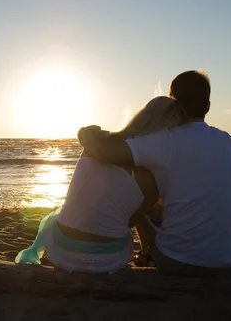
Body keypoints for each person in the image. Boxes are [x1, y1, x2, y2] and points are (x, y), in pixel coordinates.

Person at [77, 71, 231, 276]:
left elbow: (106, 153)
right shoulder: (228, 141)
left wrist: (84, 134)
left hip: (180, 261)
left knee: (143, 192)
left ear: (172, 104)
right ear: (208, 106)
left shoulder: (165, 141)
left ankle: (147, 253)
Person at [15, 96, 187, 273]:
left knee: (66, 213)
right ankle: (146, 254)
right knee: (143, 213)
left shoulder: (95, 143)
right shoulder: (153, 177)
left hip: (62, 250)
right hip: (106, 260)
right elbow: (129, 221)